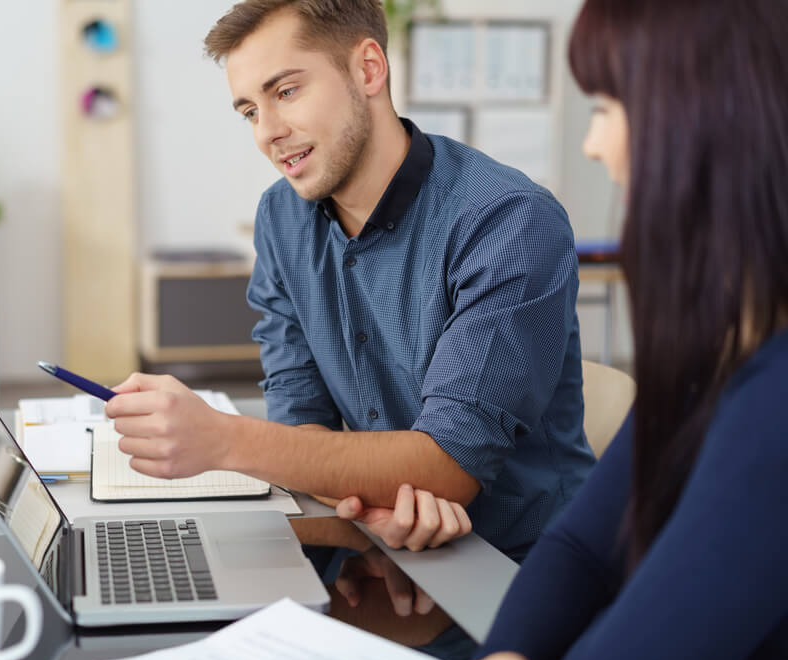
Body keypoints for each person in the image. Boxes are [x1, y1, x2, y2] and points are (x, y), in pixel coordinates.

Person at [340, 0, 788, 660]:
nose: (593, 143)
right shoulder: (715, 357)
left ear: (704, 118)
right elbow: (584, 546)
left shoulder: (774, 400)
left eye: (608, 107)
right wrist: (512, 654)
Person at [104, 0, 594, 566]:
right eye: (249, 111)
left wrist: (222, 440)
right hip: (370, 543)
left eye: (286, 92)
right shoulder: (282, 218)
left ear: (368, 69)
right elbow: (299, 418)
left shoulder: (506, 220)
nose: (268, 133)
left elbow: (449, 466)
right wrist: (379, 498)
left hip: (519, 565)